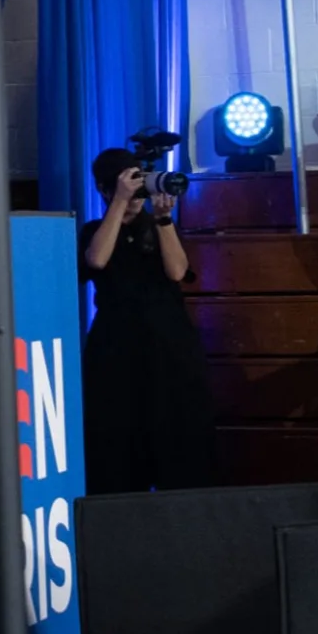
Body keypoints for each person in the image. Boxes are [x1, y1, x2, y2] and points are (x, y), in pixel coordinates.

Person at [79, 149, 218, 491]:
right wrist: (118, 205)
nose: (135, 196)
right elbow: (96, 260)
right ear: (103, 188)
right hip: (117, 351)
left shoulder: (156, 226)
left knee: (178, 442)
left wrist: (164, 220)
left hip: (168, 349)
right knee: (118, 445)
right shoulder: (95, 230)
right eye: (127, 187)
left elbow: (176, 271)